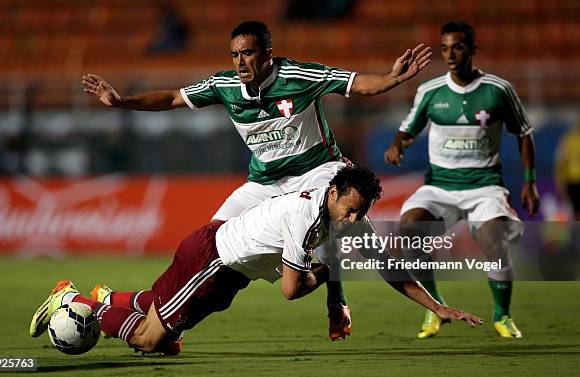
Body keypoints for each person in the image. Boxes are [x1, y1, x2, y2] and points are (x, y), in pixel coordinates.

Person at [82, 20, 432, 340]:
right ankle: (142, 311)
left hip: (314, 172)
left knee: (338, 234)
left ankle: (336, 303)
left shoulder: (298, 77)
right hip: (263, 182)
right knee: (211, 251)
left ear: (267, 54)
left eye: (247, 53)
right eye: (234, 54)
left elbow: (356, 85)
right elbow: (173, 97)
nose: (239, 62)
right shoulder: (225, 85)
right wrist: (121, 101)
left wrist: (392, 78)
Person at [29, 166, 483, 355]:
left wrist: (438, 308)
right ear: (332, 195)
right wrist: (332, 269)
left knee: (162, 325)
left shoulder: (342, 209)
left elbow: (387, 265)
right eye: (350, 209)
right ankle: (79, 302)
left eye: (362, 212)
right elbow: (291, 290)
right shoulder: (309, 216)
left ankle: (109, 297)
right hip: (213, 261)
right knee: (151, 342)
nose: (355, 219)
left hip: (229, 271)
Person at [384, 21, 540, 339]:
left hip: (485, 187)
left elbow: (524, 133)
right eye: (444, 48)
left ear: (471, 49)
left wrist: (529, 181)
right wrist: (397, 143)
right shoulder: (430, 91)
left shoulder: (498, 89)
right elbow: (408, 128)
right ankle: (436, 308)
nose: (450, 54)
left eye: (457, 46)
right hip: (440, 187)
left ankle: (503, 315)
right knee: (411, 230)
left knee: (492, 241)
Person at [554, 120, 580, 221]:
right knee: (575, 213)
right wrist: (560, 183)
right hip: (573, 182)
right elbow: (560, 163)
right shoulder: (568, 140)